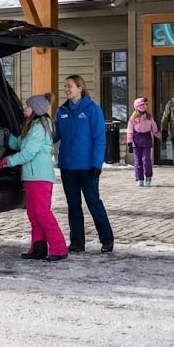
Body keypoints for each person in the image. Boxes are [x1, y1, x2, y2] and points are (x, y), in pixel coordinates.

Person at [0, 93, 68, 262]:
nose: (24, 108)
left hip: (40, 177)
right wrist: (3, 134)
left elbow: (28, 153)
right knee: (34, 213)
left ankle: (59, 248)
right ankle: (38, 248)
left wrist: (6, 162)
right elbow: (18, 144)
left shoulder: (40, 127)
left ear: (35, 110)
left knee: (42, 213)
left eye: (27, 106)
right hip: (32, 177)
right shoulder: (32, 126)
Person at [53, 75, 114, 254]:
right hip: (68, 168)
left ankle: (107, 239)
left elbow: (99, 139)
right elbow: (54, 136)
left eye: (69, 86)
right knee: (73, 206)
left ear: (80, 87)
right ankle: (77, 242)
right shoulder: (61, 111)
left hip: (88, 167)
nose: (66, 89)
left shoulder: (92, 109)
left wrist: (97, 164)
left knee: (93, 203)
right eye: (65, 86)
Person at [126, 96, 161, 187]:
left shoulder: (149, 117)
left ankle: (148, 176)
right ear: (137, 107)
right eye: (141, 105)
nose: (143, 107)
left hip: (146, 139)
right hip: (136, 140)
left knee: (146, 160)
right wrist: (129, 142)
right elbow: (130, 130)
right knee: (138, 161)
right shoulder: (133, 118)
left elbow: (154, 129)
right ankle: (139, 178)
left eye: (145, 105)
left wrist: (161, 136)